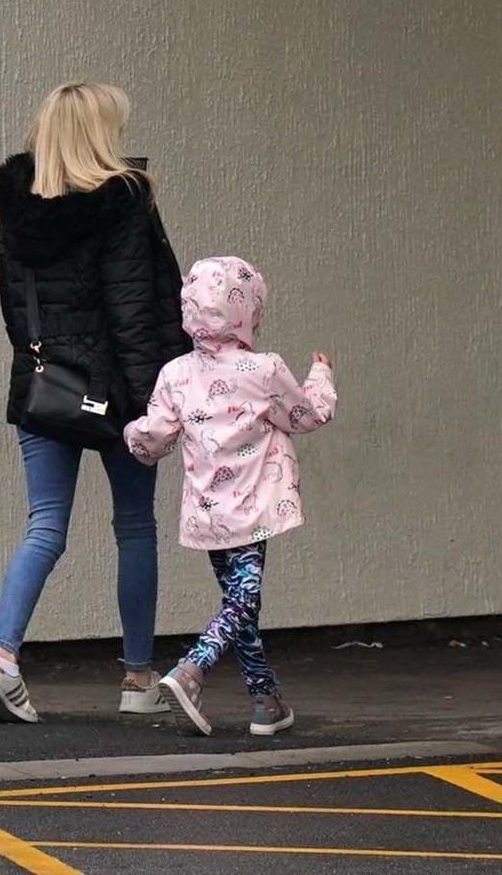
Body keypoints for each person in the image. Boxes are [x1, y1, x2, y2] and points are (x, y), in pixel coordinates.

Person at [0, 82, 186, 724]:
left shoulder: (17, 211)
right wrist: (157, 403)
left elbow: (14, 309)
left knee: (44, 524)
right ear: (98, 134)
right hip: (118, 393)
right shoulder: (124, 202)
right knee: (135, 526)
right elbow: (134, 313)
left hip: (46, 388)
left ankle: (2, 660)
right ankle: (138, 678)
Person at [124, 255, 338, 738]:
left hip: (207, 511)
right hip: (254, 507)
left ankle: (266, 701)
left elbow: (152, 440)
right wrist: (321, 375)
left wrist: (126, 430)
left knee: (240, 602)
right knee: (243, 598)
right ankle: (192, 668)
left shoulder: (174, 374)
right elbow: (305, 416)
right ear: (249, 311)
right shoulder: (262, 369)